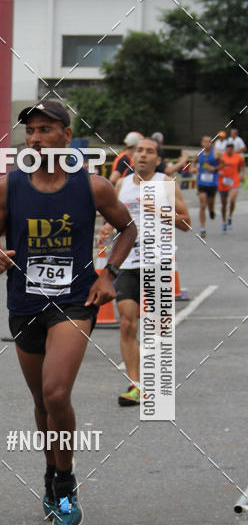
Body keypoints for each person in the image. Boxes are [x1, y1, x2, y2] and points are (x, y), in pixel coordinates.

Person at [0, 100, 137, 525]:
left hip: (73, 301)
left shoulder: (93, 187)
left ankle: (65, 482)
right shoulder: (6, 187)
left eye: (45, 129)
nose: (35, 138)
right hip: (25, 303)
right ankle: (51, 475)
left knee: (56, 393)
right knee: (40, 402)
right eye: (30, 131)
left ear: (67, 135)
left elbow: (128, 230)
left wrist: (109, 275)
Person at [98, 138, 191, 406]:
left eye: (150, 151)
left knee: (159, 325)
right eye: (139, 150)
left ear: (158, 159)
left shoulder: (166, 184)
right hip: (127, 261)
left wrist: (160, 212)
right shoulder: (121, 185)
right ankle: (136, 384)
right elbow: (112, 218)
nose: (143, 155)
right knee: (127, 322)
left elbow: (186, 223)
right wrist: (106, 228)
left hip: (159, 260)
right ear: (131, 155)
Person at [193, 134, 222, 238]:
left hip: (212, 182)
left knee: (210, 204)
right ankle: (202, 228)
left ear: (211, 143)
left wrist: (215, 168)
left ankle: (211, 210)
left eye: (209, 142)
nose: (207, 144)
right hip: (201, 182)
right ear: (202, 143)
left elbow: (223, 164)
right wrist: (194, 168)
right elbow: (193, 164)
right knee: (202, 205)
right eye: (205, 142)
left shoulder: (216, 153)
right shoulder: (198, 153)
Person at [218, 139, 245, 232]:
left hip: (234, 181)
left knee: (232, 200)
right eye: (227, 148)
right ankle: (224, 221)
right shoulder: (221, 157)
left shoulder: (238, 157)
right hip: (223, 181)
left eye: (231, 149)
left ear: (233, 149)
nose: (229, 150)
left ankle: (230, 216)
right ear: (225, 149)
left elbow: (242, 165)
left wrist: (242, 174)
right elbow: (216, 166)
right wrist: (219, 171)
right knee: (224, 204)